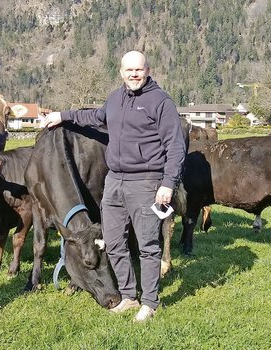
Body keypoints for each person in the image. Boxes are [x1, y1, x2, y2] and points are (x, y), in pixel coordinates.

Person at [43, 51, 186, 322]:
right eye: (128, 70)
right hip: (114, 181)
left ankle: (150, 302)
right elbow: (95, 117)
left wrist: (168, 183)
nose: (134, 74)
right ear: (121, 72)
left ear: (148, 70)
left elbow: (175, 147)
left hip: (146, 181)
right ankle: (130, 295)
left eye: (139, 70)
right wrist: (63, 115)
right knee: (115, 242)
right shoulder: (115, 98)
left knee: (147, 245)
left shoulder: (160, 102)